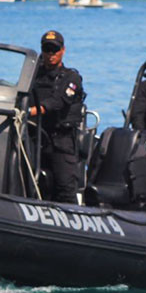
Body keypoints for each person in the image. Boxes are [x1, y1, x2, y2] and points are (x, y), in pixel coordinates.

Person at [28, 30, 86, 204]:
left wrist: (32, 110)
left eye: (55, 50)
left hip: (62, 141)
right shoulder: (33, 76)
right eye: (47, 49)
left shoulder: (71, 77)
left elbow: (58, 101)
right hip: (35, 137)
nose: (51, 54)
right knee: (33, 184)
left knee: (65, 187)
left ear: (63, 50)